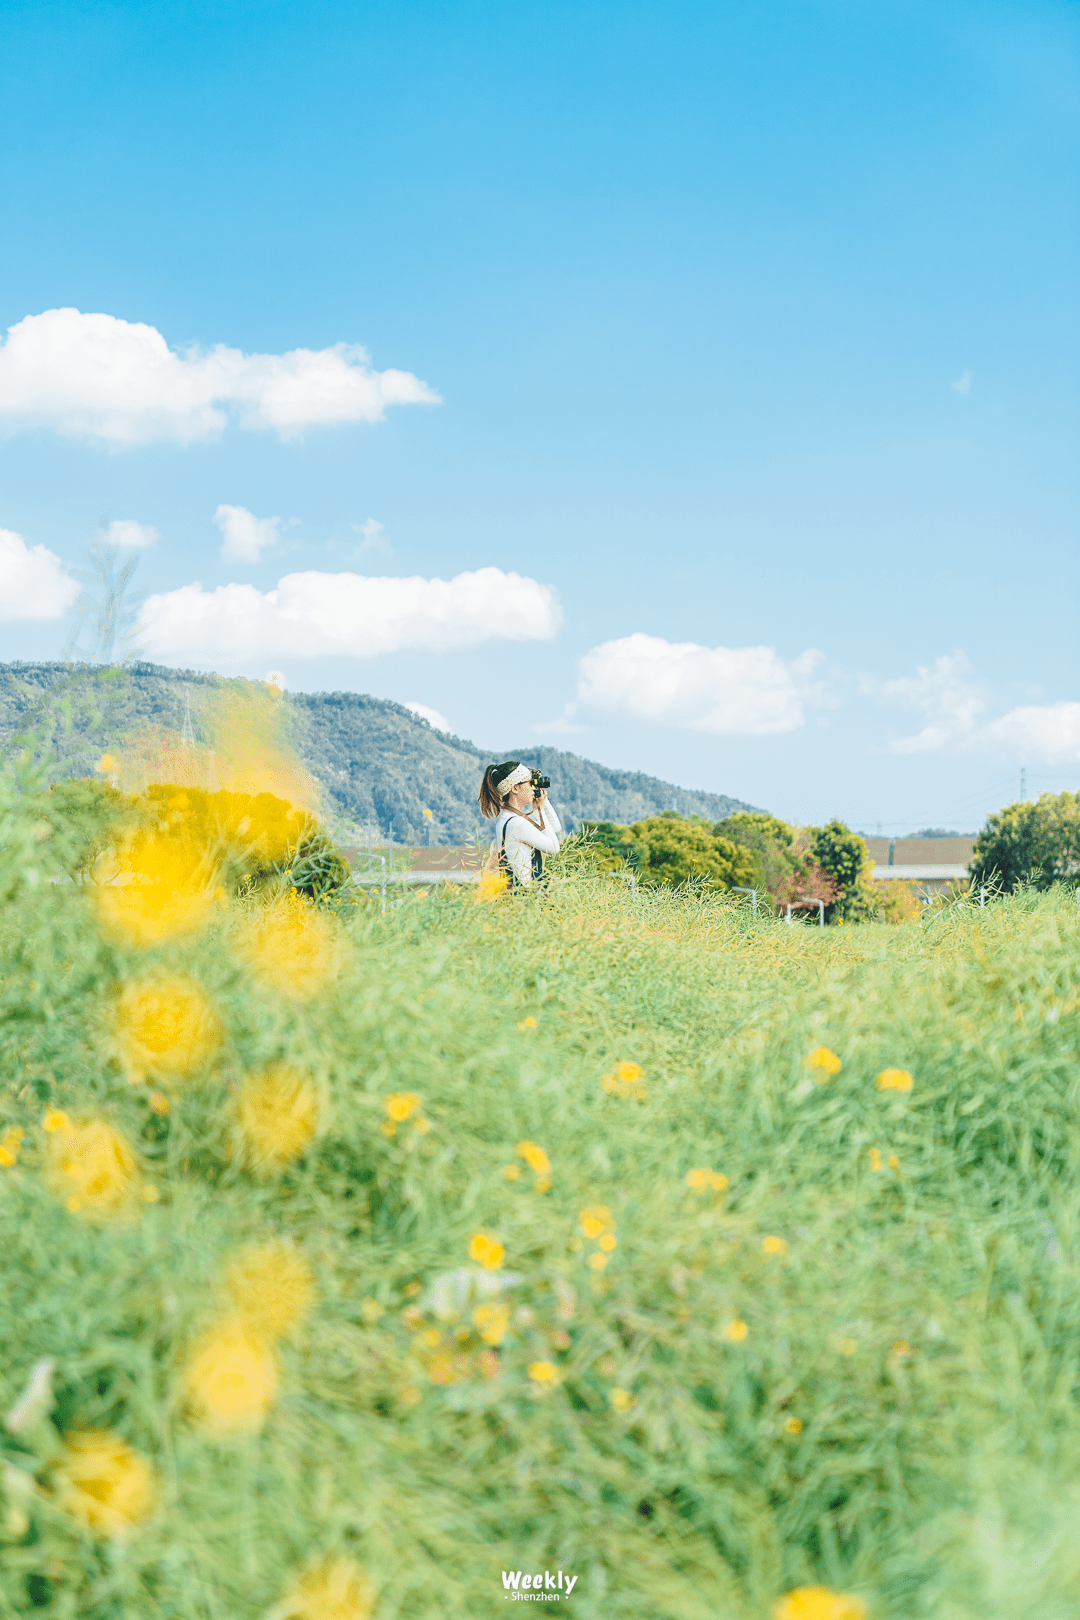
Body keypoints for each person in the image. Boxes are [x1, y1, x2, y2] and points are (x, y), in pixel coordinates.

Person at [477, 761, 562, 887]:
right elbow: (554, 847)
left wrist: (543, 800)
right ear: (515, 788)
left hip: (518, 894)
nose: (533, 787)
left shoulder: (508, 818)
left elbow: (554, 828)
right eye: (529, 783)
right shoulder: (517, 824)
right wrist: (539, 808)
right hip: (526, 896)